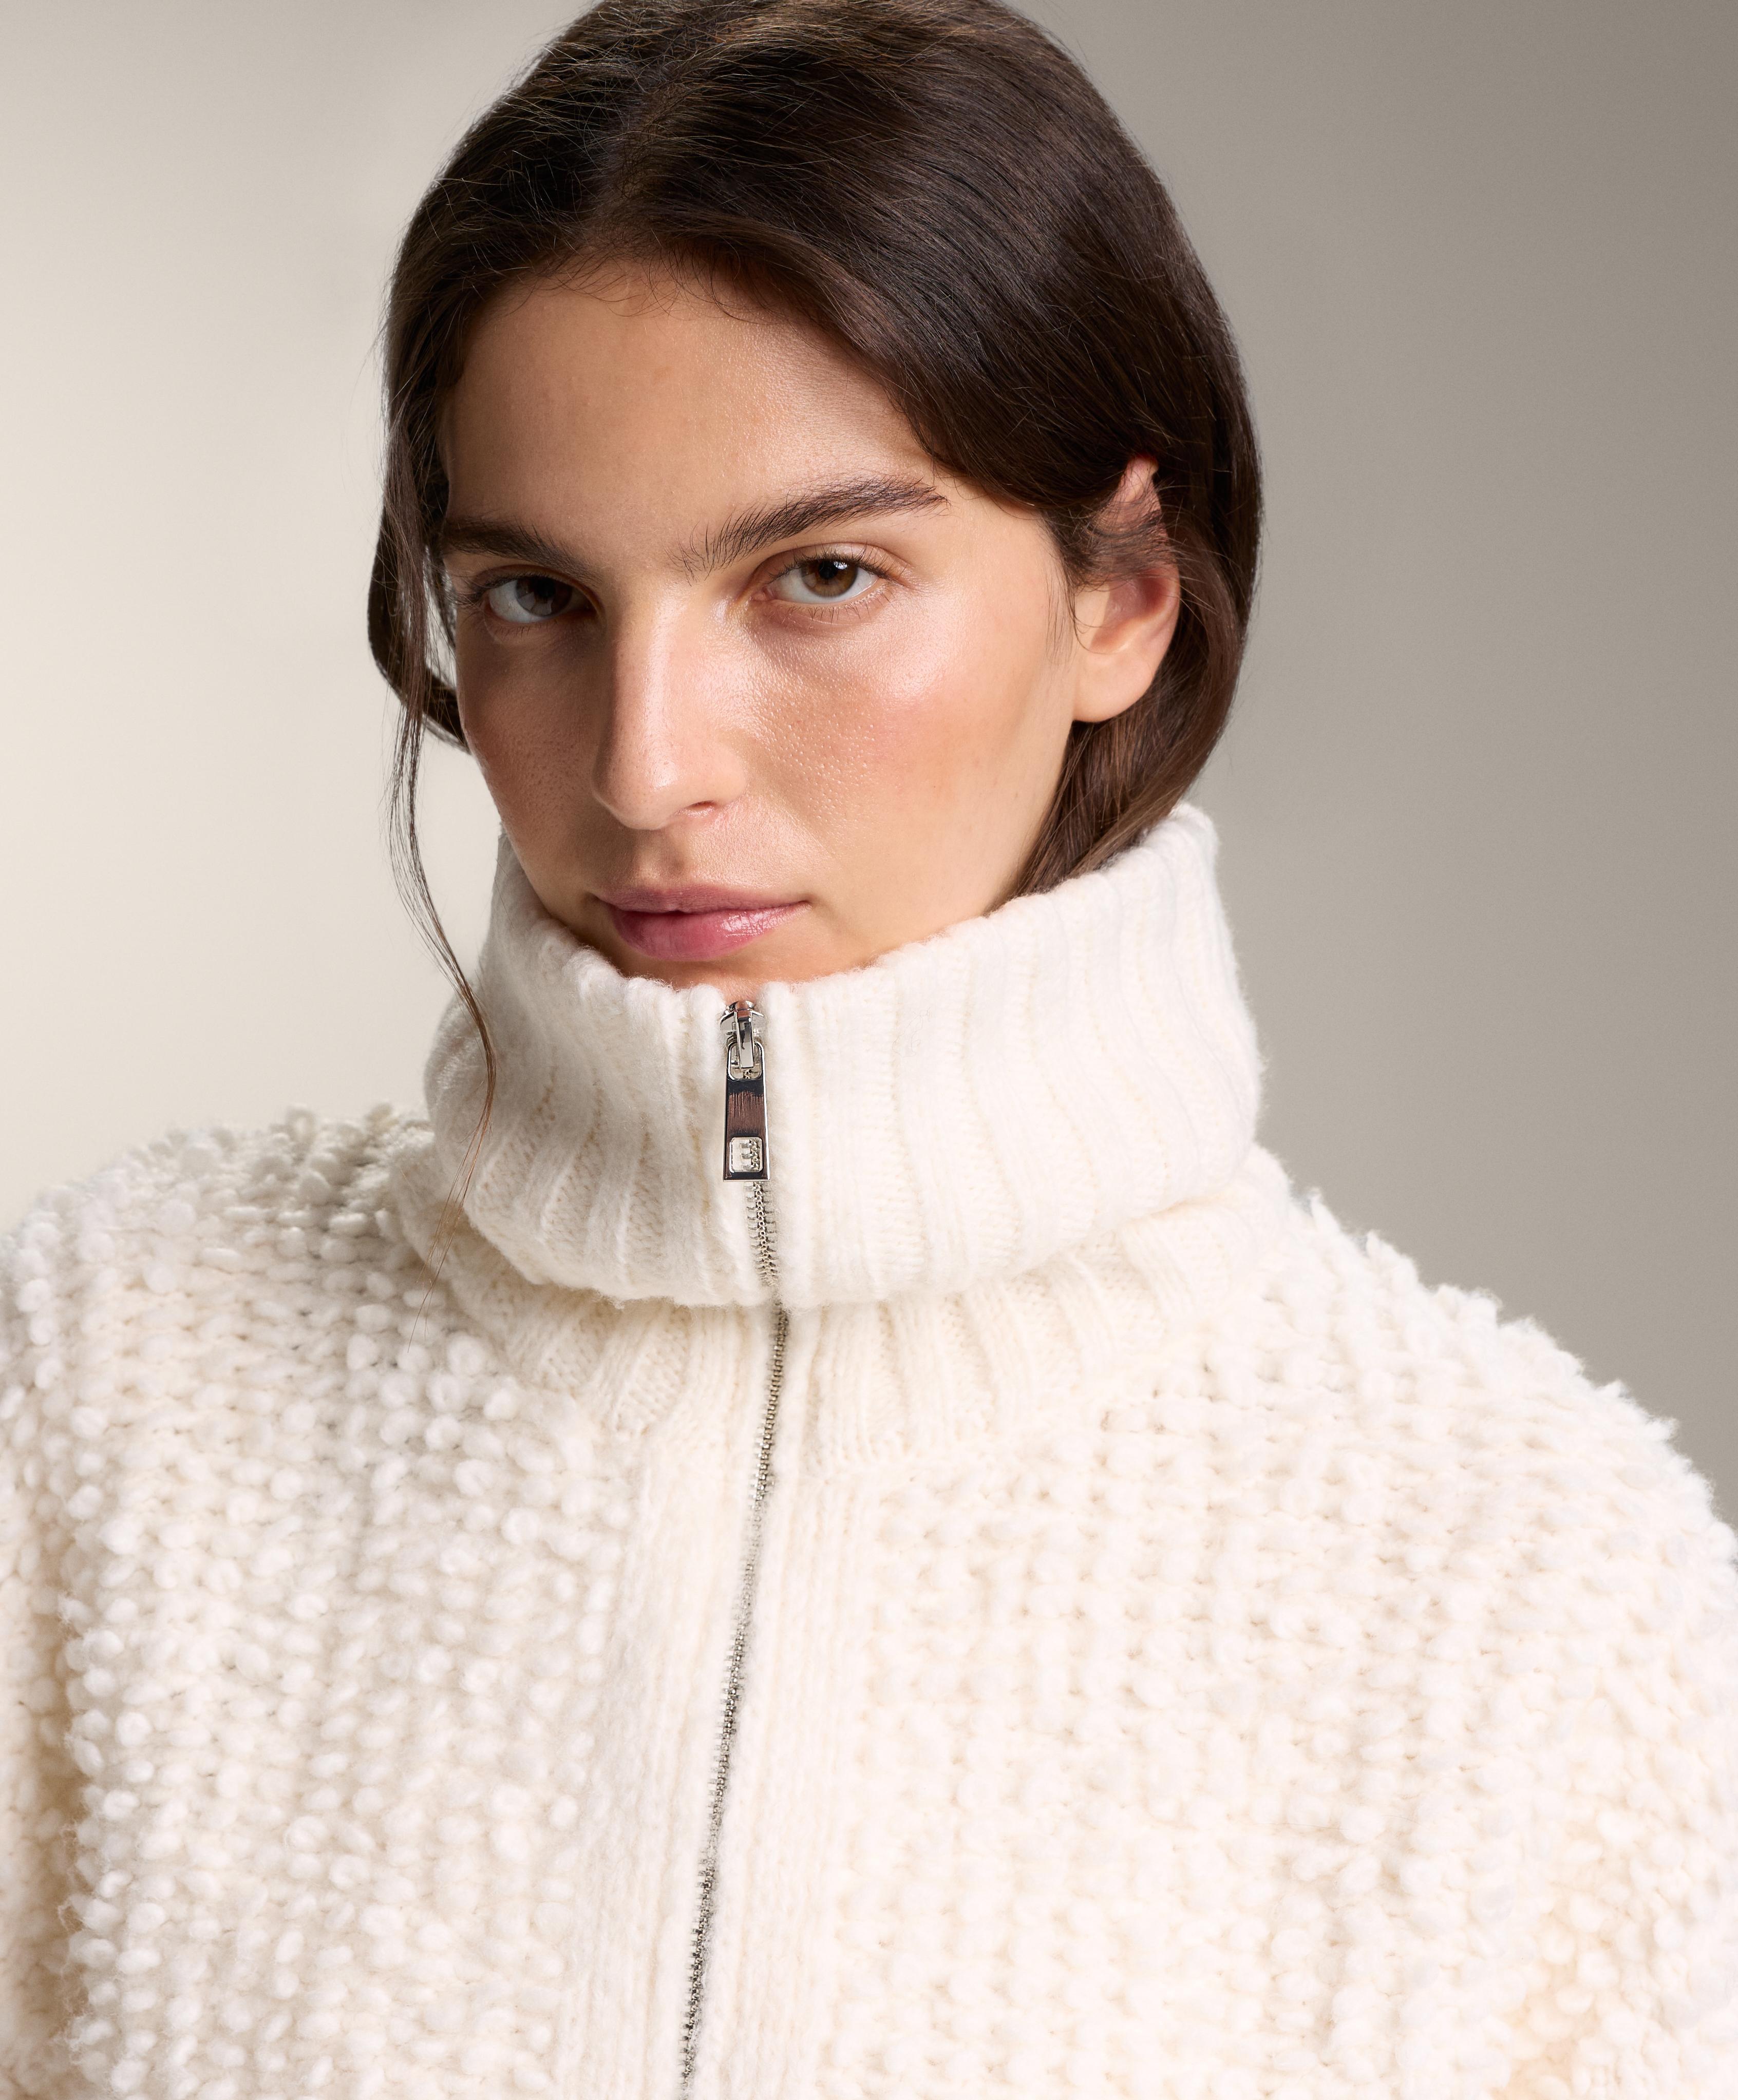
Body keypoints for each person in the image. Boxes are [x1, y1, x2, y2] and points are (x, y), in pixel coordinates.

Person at [4, 0, 1735, 2092]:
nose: (646, 767)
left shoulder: (1533, 1574)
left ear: (1124, 592)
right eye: (537, 596)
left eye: (818, 576)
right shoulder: (108, 1383)